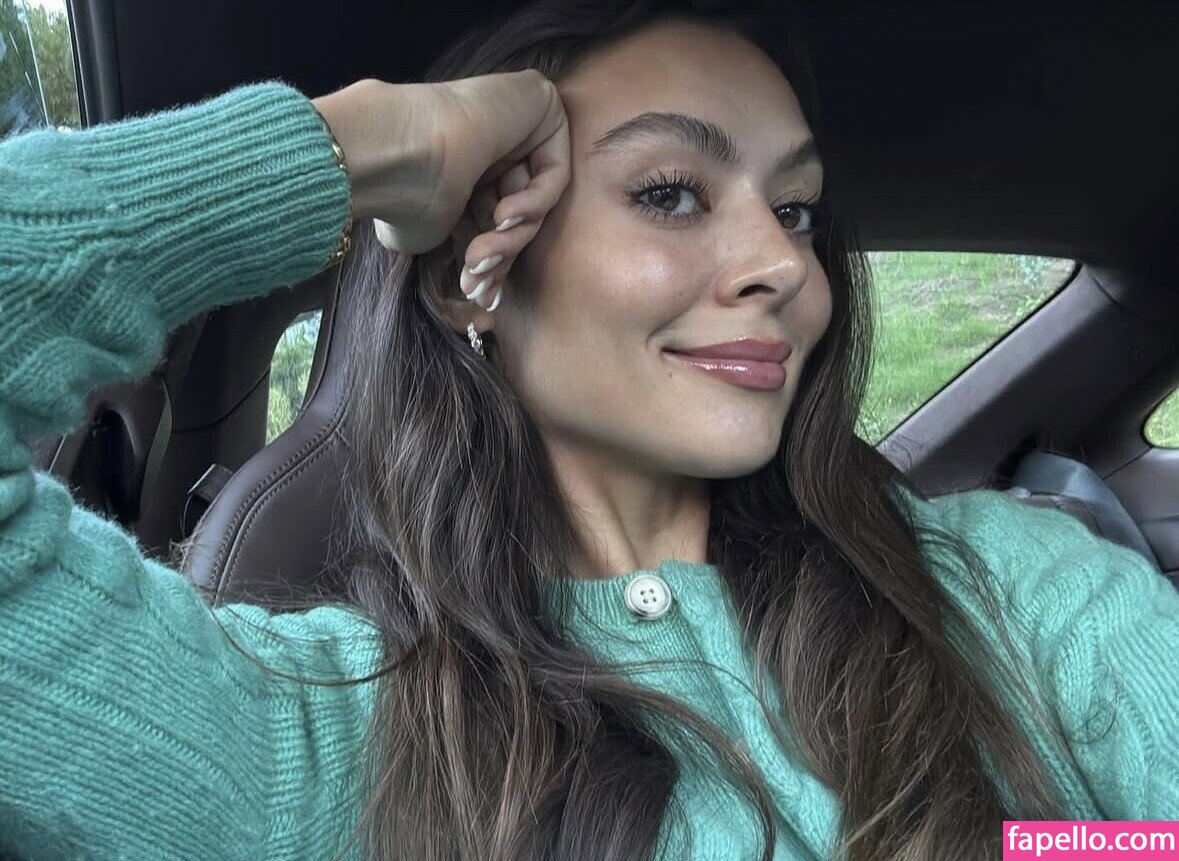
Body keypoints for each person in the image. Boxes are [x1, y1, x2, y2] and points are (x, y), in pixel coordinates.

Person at [1, 0, 1175, 859]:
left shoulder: (1015, 590)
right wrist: (354, 144)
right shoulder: (318, 738)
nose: (785, 265)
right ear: (475, 278)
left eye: (798, 210)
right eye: (670, 192)